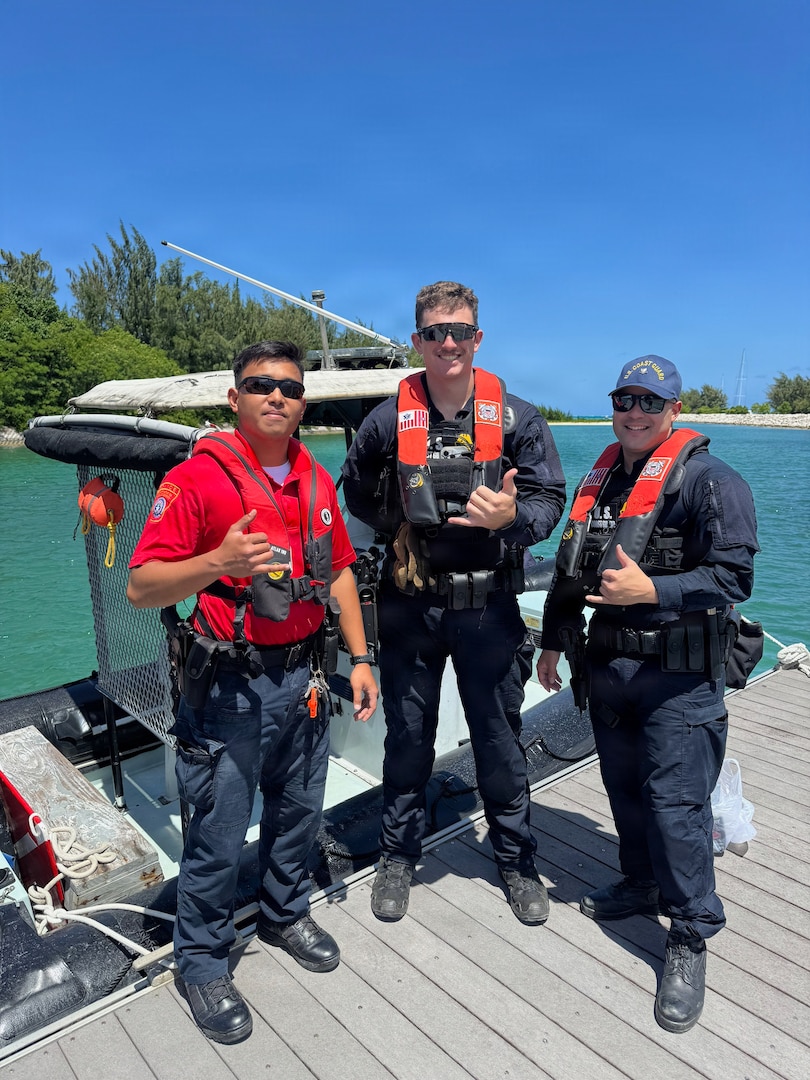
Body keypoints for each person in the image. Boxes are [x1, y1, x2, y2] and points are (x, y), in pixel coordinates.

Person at [127, 340, 378, 1044]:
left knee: (298, 812)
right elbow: (142, 587)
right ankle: (202, 962)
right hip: (227, 691)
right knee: (215, 832)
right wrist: (216, 562)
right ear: (233, 398)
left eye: (291, 389)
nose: (277, 397)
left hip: (303, 678)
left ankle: (283, 911)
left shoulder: (315, 479)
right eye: (260, 385)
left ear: (304, 404)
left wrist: (359, 659)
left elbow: (337, 576)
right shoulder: (197, 480)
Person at [536, 355, 758, 1034]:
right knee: (625, 792)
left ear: (673, 410)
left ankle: (690, 933)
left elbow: (733, 578)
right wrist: (552, 637)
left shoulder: (713, 483)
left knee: (676, 806)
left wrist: (653, 591)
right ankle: (641, 882)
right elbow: (574, 568)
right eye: (624, 400)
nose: (634, 413)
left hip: (679, 682)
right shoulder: (605, 482)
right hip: (609, 671)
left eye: (648, 402)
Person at [341, 282, 566, 926]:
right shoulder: (386, 420)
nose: (448, 343)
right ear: (417, 341)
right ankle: (396, 856)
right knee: (407, 739)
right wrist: (402, 518)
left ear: (478, 337)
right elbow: (355, 496)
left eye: (460, 330)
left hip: (489, 609)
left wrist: (511, 517)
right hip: (410, 608)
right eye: (435, 332)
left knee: (498, 739)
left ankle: (516, 860)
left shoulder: (520, 419)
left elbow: (549, 503)